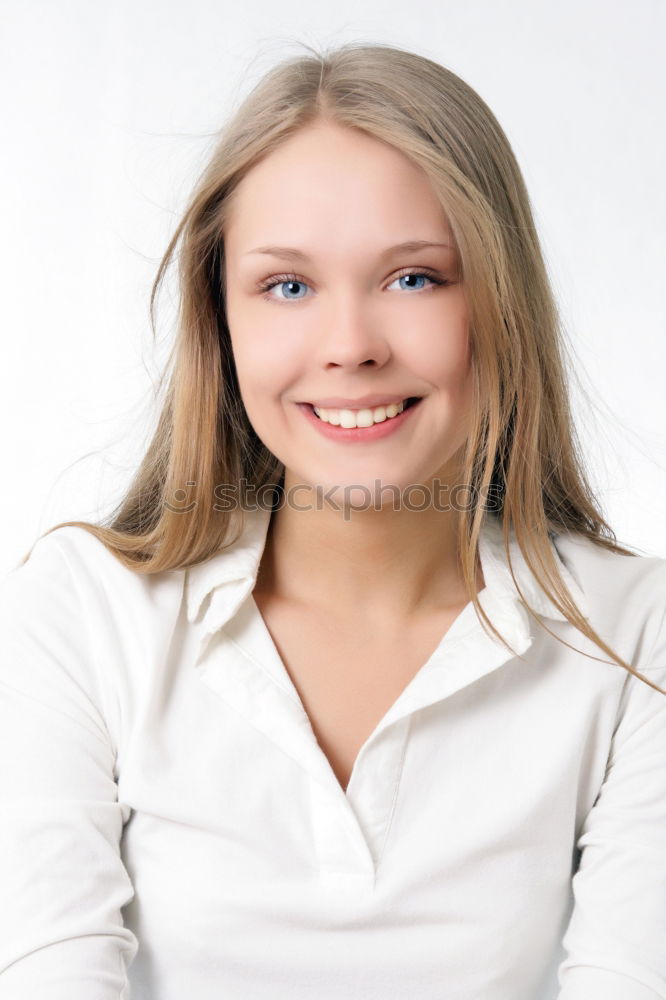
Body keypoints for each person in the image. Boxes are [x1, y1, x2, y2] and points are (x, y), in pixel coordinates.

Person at [1, 40, 664, 1000]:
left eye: (414, 278)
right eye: (287, 286)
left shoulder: (634, 635)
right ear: (220, 323)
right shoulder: (83, 613)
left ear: (503, 301)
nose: (349, 347)